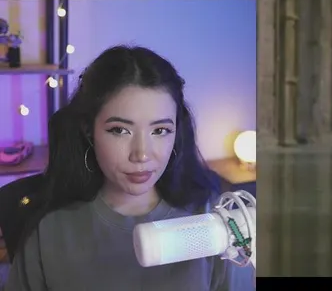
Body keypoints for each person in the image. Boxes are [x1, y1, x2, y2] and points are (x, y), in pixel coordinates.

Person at [4, 45, 254, 291]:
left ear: (177, 132)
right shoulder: (49, 231)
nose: (142, 154)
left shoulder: (215, 222)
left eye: (160, 130)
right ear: (89, 130)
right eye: (120, 130)